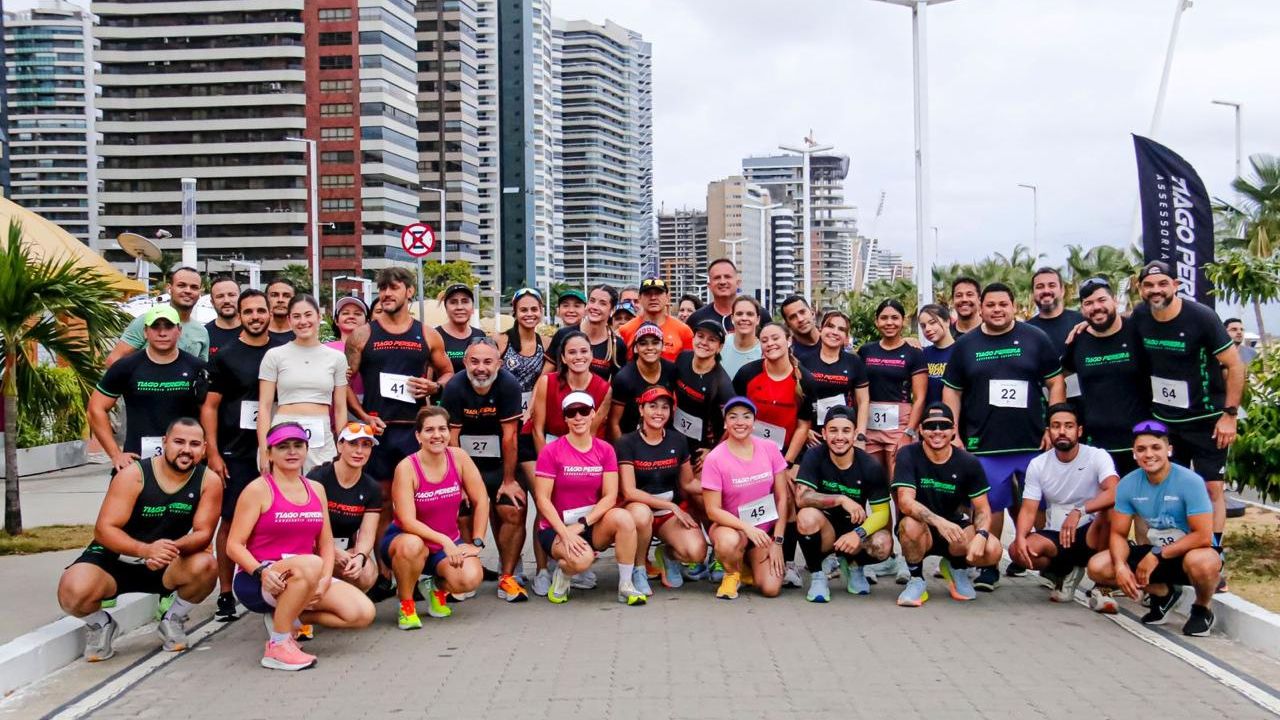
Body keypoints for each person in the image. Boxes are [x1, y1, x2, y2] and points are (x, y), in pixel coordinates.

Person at [57, 418, 220, 662]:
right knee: (72, 590)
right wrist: (145, 550)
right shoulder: (133, 475)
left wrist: (168, 549)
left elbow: (204, 533)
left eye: (194, 444)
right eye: (179, 442)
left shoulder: (209, 481)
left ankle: (173, 619)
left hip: (165, 561)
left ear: (204, 448)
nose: (186, 450)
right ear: (165, 443)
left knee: (206, 566)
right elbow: (104, 530)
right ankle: (101, 625)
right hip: (116, 560)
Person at [942, 282, 1065, 590]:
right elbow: (952, 391)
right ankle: (989, 564)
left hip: (1031, 441)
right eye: (991, 305)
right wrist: (952, 431)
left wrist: (1053, 425)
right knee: (989, 506)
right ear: (981, 308)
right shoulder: (966, 345)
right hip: (985, 443)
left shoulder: (1035, 338)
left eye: (1003, 304)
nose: (997, 310)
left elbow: (1056, 383)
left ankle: (1043, 562)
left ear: (1014, 306)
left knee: (1038, 506)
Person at [1131, 260, 1243, 590]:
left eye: (1162, 284)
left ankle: (1213, 556)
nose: (1156, 291)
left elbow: (1234, 366)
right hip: (1165, 422)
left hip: (1207, 420)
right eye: (1149, 285)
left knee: (1211, 489)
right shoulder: (1140, 315)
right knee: (1169, 492)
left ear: (1176, 285)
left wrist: (1229, 415)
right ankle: (1173, 558)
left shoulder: (1201, 318)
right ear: (1140, 289)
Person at [227, 422, 375, 671]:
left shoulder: (316, 489)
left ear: (306, 450)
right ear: (269, 453)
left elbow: (325, 543)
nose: (292, 452)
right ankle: (278, 646)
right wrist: (261, 572)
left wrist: (325, 580)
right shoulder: (257, 490)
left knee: (362, 613)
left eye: (298, 445)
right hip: (261, 579)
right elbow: (233, 545)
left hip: (309, 574)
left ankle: (287, 617)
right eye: (283, 447)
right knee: (311, 562)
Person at [346, 267, 454, 540]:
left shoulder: (427, 334)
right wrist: (362, 416)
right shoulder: (362, 335)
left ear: (409, 291)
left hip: (414, 431)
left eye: (393, 288)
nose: (386, 294)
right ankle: (383, 565)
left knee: (420, 500)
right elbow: (341, 382)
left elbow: (448, 372)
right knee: (380, 501)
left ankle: (420, 560)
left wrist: (435, 387)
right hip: (379, 429)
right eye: (382, 288)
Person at [1086, 420, 1222, 635]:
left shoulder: (1191, 481)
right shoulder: (1128, 484)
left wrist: (1157, 554)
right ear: (1134, 454)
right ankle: (1163, 593)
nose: (1148, 454)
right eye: (1141, 449)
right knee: (1098, 566)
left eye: (1156, 447)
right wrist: (1120, 566)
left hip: (1190, 551)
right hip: (1155, 553)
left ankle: (1202, 608)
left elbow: (1203, 536)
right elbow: (1118, 534)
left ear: (1169, 450)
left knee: (1202, 563)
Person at [200, 289, 282, 620]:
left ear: (270, 313)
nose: (255, 317)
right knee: (232, 520)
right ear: (240, 315)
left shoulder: (282, 351)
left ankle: (277, 585)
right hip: (237, 450)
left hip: (279, 449)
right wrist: (213, 452)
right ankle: (225, 593)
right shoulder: (226, 356)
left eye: (260, 311)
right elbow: (210, 406)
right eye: (248, 312)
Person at [532, 391, 647, 605]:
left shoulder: (605, 450)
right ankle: (563, 574)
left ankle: (625, 585)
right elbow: (542, 499)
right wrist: (565, 532)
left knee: (624, 518)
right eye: (571, 413)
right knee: (581, 560)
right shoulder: (551, 451)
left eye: (584, 411)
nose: (578, 417)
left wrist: (583, 524)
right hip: (557, 527)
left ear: (593, 414)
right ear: (565, 418)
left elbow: (610, 496)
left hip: (590, 523)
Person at [525, 331, 613, 595]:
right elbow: (537, 428)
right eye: (572, 352)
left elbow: (591, 432)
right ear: (562, 357)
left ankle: (574, 558)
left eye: (584, 351)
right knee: (544, 502)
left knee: (579, 499)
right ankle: (542, 569)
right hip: (545, 447)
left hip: (580, 449)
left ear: (592, 355)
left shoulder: (603, 388)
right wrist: (549, 464)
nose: (578, 357)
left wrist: (576, 463)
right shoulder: (547, 382)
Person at [382, 407, 486, 628]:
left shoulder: (459, 457)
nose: (437, 435)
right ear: (418, 436)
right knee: (412, 545)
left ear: (449, 432)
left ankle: (434, 587)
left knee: (470, 578)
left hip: (444, 545)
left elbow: (481, 500)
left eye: (442, 429)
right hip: (405, 541)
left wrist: (477, 541)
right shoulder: (407, 467)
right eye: (429, 430)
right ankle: (406, 605)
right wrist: (444, 540)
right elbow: (407, 521)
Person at [440, 336, 527, 601]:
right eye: (474, 361)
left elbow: (510, 437)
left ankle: (508, 576)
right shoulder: (454, 387)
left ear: (499, 364)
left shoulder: (509, 385)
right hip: (466, 464)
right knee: (462, 510)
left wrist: (509, 480)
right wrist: (458, 484)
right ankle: (468, 572)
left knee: (512, 508)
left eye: (488, 362)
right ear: (465, 362)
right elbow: (452, 439)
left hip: (501, 462)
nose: (481, 368)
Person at [892, 403, 1002, 607]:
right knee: (909, 525)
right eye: (930, 426)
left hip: (955, 531)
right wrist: (939, 522)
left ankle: (956, 568)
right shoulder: (908, 454)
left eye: (943, 426)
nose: (937, 431)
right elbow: (905, 502)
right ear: (920, 430)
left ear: (953, 430)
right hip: (922, 529)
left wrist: (982, 534)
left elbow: (983, 509)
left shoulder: (969, 462)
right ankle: (916, 579)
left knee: (993, 549)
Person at [733, 321, 817, 587]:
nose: (770, 344)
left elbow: (803, 426)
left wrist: (787, 463)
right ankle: (737, 554)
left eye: (775, 338)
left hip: (788, 453)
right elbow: (734, 413)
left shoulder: (805, 379)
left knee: (788, 497)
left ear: (789, 340)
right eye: (765, 340)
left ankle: (788, 562)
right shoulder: (748, 373)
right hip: (748, 449)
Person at [1010, 404, 1118, 605]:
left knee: (1111, 508)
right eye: (1056, 426)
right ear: (1048, 431)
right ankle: (1065, 572)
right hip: (1058, 535)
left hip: (1093, 532)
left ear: (1079, 430)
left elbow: (1115, 491)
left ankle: (1102, 585)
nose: (1062, 431)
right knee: (1018, 551)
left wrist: (1080, 511)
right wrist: (1020, 537)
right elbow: (1028, 509)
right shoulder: (1038, 464)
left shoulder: (1097, 456)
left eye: (1068, 426)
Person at [89, 305, 208, 475]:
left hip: (186, 462)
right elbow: (95, 408)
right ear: (145, 332)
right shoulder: (125, 367)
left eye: (168, 327)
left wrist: (208, 451)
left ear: (179, 331)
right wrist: (115, 454)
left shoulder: (197, 367)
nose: (162, 333)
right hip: (137, 462)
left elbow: (210, 411)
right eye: (155, 327)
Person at [794, 406, 892, 602]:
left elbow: (882, 514)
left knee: (883, 543)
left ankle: (855, 566)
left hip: (854, 529)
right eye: (833, 430)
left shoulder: (870, 466)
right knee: (805, 517)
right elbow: (802, 498)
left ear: (855, 434)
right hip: (825, 531)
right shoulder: (814, 456)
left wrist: (859, 533)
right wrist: (841, 499)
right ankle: (817, 575)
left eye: (846, 431)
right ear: (824, 433)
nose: (839, 437)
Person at [701, 397, 791, 599]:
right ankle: (732, 573)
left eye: (746, 417)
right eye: (733, 417)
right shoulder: (715, 458)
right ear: (725, 423)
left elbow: (782, 497)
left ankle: (747, 565)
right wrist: (747, 528)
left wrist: (778, 542)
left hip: (763, 533)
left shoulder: (770, 448)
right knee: (728, 542)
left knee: (771, 589)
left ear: (754, 422)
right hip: (733, 529)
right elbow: (712, 510)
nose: (740, 422)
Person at [617, 385, 704, 593]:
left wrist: (722, 487)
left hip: (667, 515)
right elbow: (629, 491)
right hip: (637, 510)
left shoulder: (678, 439)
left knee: (697, 552)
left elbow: (688, 483)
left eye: (665, 407)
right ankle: (639, 568)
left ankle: (667, 555)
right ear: (641, 410)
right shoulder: (626, 442)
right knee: (642, 514)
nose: (659, 412)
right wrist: (671, 506)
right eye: (653, 406)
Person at [1063, 277, 1149, 476]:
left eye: (1102, 300)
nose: (1096, 307)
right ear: (1082, 309)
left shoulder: (1137, 332)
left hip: (1139, 440)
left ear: (1115, 301)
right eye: (1088, 303)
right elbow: (1061, 378)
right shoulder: (1077, 340)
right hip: (1096, 444)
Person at [257, 295, 348, 471]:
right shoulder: (274, 355)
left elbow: (340, 408)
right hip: (282, 432)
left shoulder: (337, 358)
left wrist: (342, 445)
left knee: (321, 484)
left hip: (322, 435)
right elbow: (264, 407)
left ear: (319, 317)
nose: (303, 321)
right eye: (296, 316)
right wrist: (264, 450)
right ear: (289, 320)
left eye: (308, 315)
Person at [307, 424, 383, 594]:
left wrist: (360, 557)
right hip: (312, 548)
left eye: (366, 445)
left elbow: (367, 534)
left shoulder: (372, 488)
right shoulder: (318, 478)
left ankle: (340, 599)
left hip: (345, 551)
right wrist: (331, 551)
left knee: (366, 573)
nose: (359, 451)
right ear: (339, 445)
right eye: (353, 443)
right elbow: (304, 527)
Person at [857, 299, 927, 478]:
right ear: (876, 321)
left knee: (898, 482)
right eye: (884, 318)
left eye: (895, 318)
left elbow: (919, 398)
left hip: (900, 425)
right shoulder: (865, 351)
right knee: (872, 482)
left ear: (903, 321)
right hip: (869, 425)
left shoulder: (914, 353)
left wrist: (909, 432)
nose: (889, 323)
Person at [107, 266, 210, 365]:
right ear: (169, 289)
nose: (188, 291)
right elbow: (113, 361)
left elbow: (202, 369)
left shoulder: (201, 332)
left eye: (194, 287)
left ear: (200, 292)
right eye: (181, 285)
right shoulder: (147, 321)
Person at [672, 320, 735, 470]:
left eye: (712, 340)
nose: (704, 343)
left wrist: (714, 451)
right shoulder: (682, 358)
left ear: (719, 347)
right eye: (700, 336)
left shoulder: (722, 384)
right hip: (676, 435)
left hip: (702, 446)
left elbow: (732, 423)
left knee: (693, 483)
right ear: (693, 338)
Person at [807, 310, 870, 443]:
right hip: (813, 435)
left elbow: (863, 400)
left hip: (844, 435)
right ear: (820, 329)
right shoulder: (804, 361)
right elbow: (796, 398)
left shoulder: (854, 362)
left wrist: (860, 432)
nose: (835, 332)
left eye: (841, 329)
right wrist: (804, 430)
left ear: (846, 336)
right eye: (830, 326)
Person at [609, 322, 678, 439]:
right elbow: (614, 422)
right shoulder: (624, 378)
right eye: (643, 343)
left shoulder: (671, 370)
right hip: (631, 439)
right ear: (636, 348)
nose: (650, 347)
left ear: (663, 346)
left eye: (655, 343)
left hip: (663, 437)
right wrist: (623, 448)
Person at [545, 284, 628, 382]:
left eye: (602, 303)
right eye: (592, 301)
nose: (595, 307)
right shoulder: (563, 335)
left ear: (612, 310)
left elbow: (617, 385)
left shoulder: (616, 345)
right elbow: (545, 377)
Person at [497, 287, 548, 425]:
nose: (529, 314)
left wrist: (531, 410)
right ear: (515, 312)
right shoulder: (501, 341)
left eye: (534, 309)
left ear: (541, 311)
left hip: (534, 412)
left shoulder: (546, 343)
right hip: (503, 412)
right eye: (524, 310)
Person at [618, 276, 694, 362]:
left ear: (667, 297)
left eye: (658, 293)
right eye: (648, 293)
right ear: (640, 298)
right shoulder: (625, 330)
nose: (653, 298)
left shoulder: (684, 331)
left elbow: (690, 364)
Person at [1026, 267, 1086, 356]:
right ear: (1033, 293)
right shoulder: (1026, 331)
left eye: (1052, 285)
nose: (1046, 291)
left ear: (1062, 291)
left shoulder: (1082, 322)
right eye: (1040, 287)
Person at [437, 283, 487, 372]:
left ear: (472, 306)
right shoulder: (435, 336)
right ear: (446, 307)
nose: (459, 307)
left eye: (465, 301)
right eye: (453, 302)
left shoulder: (480, 335)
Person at [327, 295, 369, 401]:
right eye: (345, 313)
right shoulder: (325, 349)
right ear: (336, 320)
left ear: (367, 321)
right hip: (334, 402)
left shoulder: (375, 348)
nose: (351, 317)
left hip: (369, 402)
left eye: (357, 314)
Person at [687, 257, 740, 333]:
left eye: (727, 277)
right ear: (709, 286)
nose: (722, 282)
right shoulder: (696, 319)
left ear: (738, 283)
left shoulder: (753, 315)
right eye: (717, 278)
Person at [917, 304, 955, 405]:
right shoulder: (923, 354)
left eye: (932, 323)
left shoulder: (960, 351)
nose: (927, 329)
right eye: (923, 326)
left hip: (954, 413)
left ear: (947, 321)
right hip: (928, 413)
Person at [720, 295, 763, 379]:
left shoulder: (764, 350)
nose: (744, 318)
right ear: (732, 318)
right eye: (739, 314)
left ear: (757, 319)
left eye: (750, 314)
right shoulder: (721, 344)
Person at [779, 295, 822, 369]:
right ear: (787, 324)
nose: (800, 319)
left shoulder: (833, 341)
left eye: (802, 312)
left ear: (812, 313)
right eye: (793, 317)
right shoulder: (788, 355)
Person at [205, 276, 242, 357]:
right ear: (212, 302)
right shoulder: (204, 334)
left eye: (231, 295)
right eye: (220, 296)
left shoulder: (253, 330)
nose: (226, 301)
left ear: (240, 299)